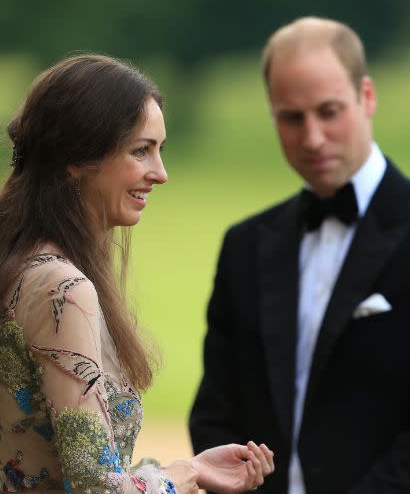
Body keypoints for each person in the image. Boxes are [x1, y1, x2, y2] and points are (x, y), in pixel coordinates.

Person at [189, 17, 410, 494]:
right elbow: (215, 411)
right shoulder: (244, 244)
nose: (312, 137)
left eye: (328, 111)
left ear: (367, 97)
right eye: (292, 118)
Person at [0, 54, 274, 493]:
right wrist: (184, 475)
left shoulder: (20, 263)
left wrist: (186, 466)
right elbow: (96, 488)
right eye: (140, 150)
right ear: (76, 157)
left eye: (160, 151)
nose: (160, 174)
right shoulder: (62, 288)